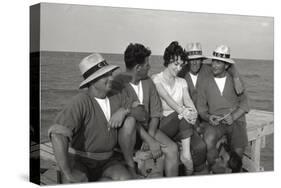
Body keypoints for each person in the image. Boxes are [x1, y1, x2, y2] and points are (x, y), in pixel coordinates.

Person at [48, 53, 140, 183]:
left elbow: (140, 110)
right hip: (80, 161)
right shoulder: (80, 101)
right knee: (77, 181)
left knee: (126, 180)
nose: (111, 78)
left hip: (108, 161)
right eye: (104, 75)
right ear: (91, 81)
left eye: (110, 73)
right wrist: (67, 172)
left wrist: (124, 110)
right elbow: (57, 134)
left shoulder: (116, 96)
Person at [113, 43, 179, 177]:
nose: (149, 67)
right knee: (130, 120)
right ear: (138, 68)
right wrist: (149, 140)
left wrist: (150, 135)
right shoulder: (117, 84)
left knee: (172, 149)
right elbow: (127, 118)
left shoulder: (148, 82)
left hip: (147, 129)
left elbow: (156, 113)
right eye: (147, 64)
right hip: (127, 133)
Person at [196, 45, 249, 173]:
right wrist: (209, 117)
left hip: (236, 120)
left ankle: (234, 173)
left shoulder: (235, 80)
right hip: (216, 122)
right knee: (208, 140)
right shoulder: (204, 81)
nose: (214, 65)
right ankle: (216, 171)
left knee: (238, 152)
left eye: (218, 62)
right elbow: (201, 108)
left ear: (226, 65)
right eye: (214, 61)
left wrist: (234, 117)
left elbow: (245, 104)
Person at [151, 41, 197, 175]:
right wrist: (184, 111)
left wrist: (194, 113)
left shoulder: (182, 82)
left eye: (181, 65)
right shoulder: (156, 79)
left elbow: (187, 100)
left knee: (200, 147)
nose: (179, 68)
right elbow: (166, 98)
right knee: (181, 115)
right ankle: (186, 157)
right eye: (176, 64)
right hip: (162, 125)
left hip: (181, 122)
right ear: (167, 61)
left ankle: (188, 168)